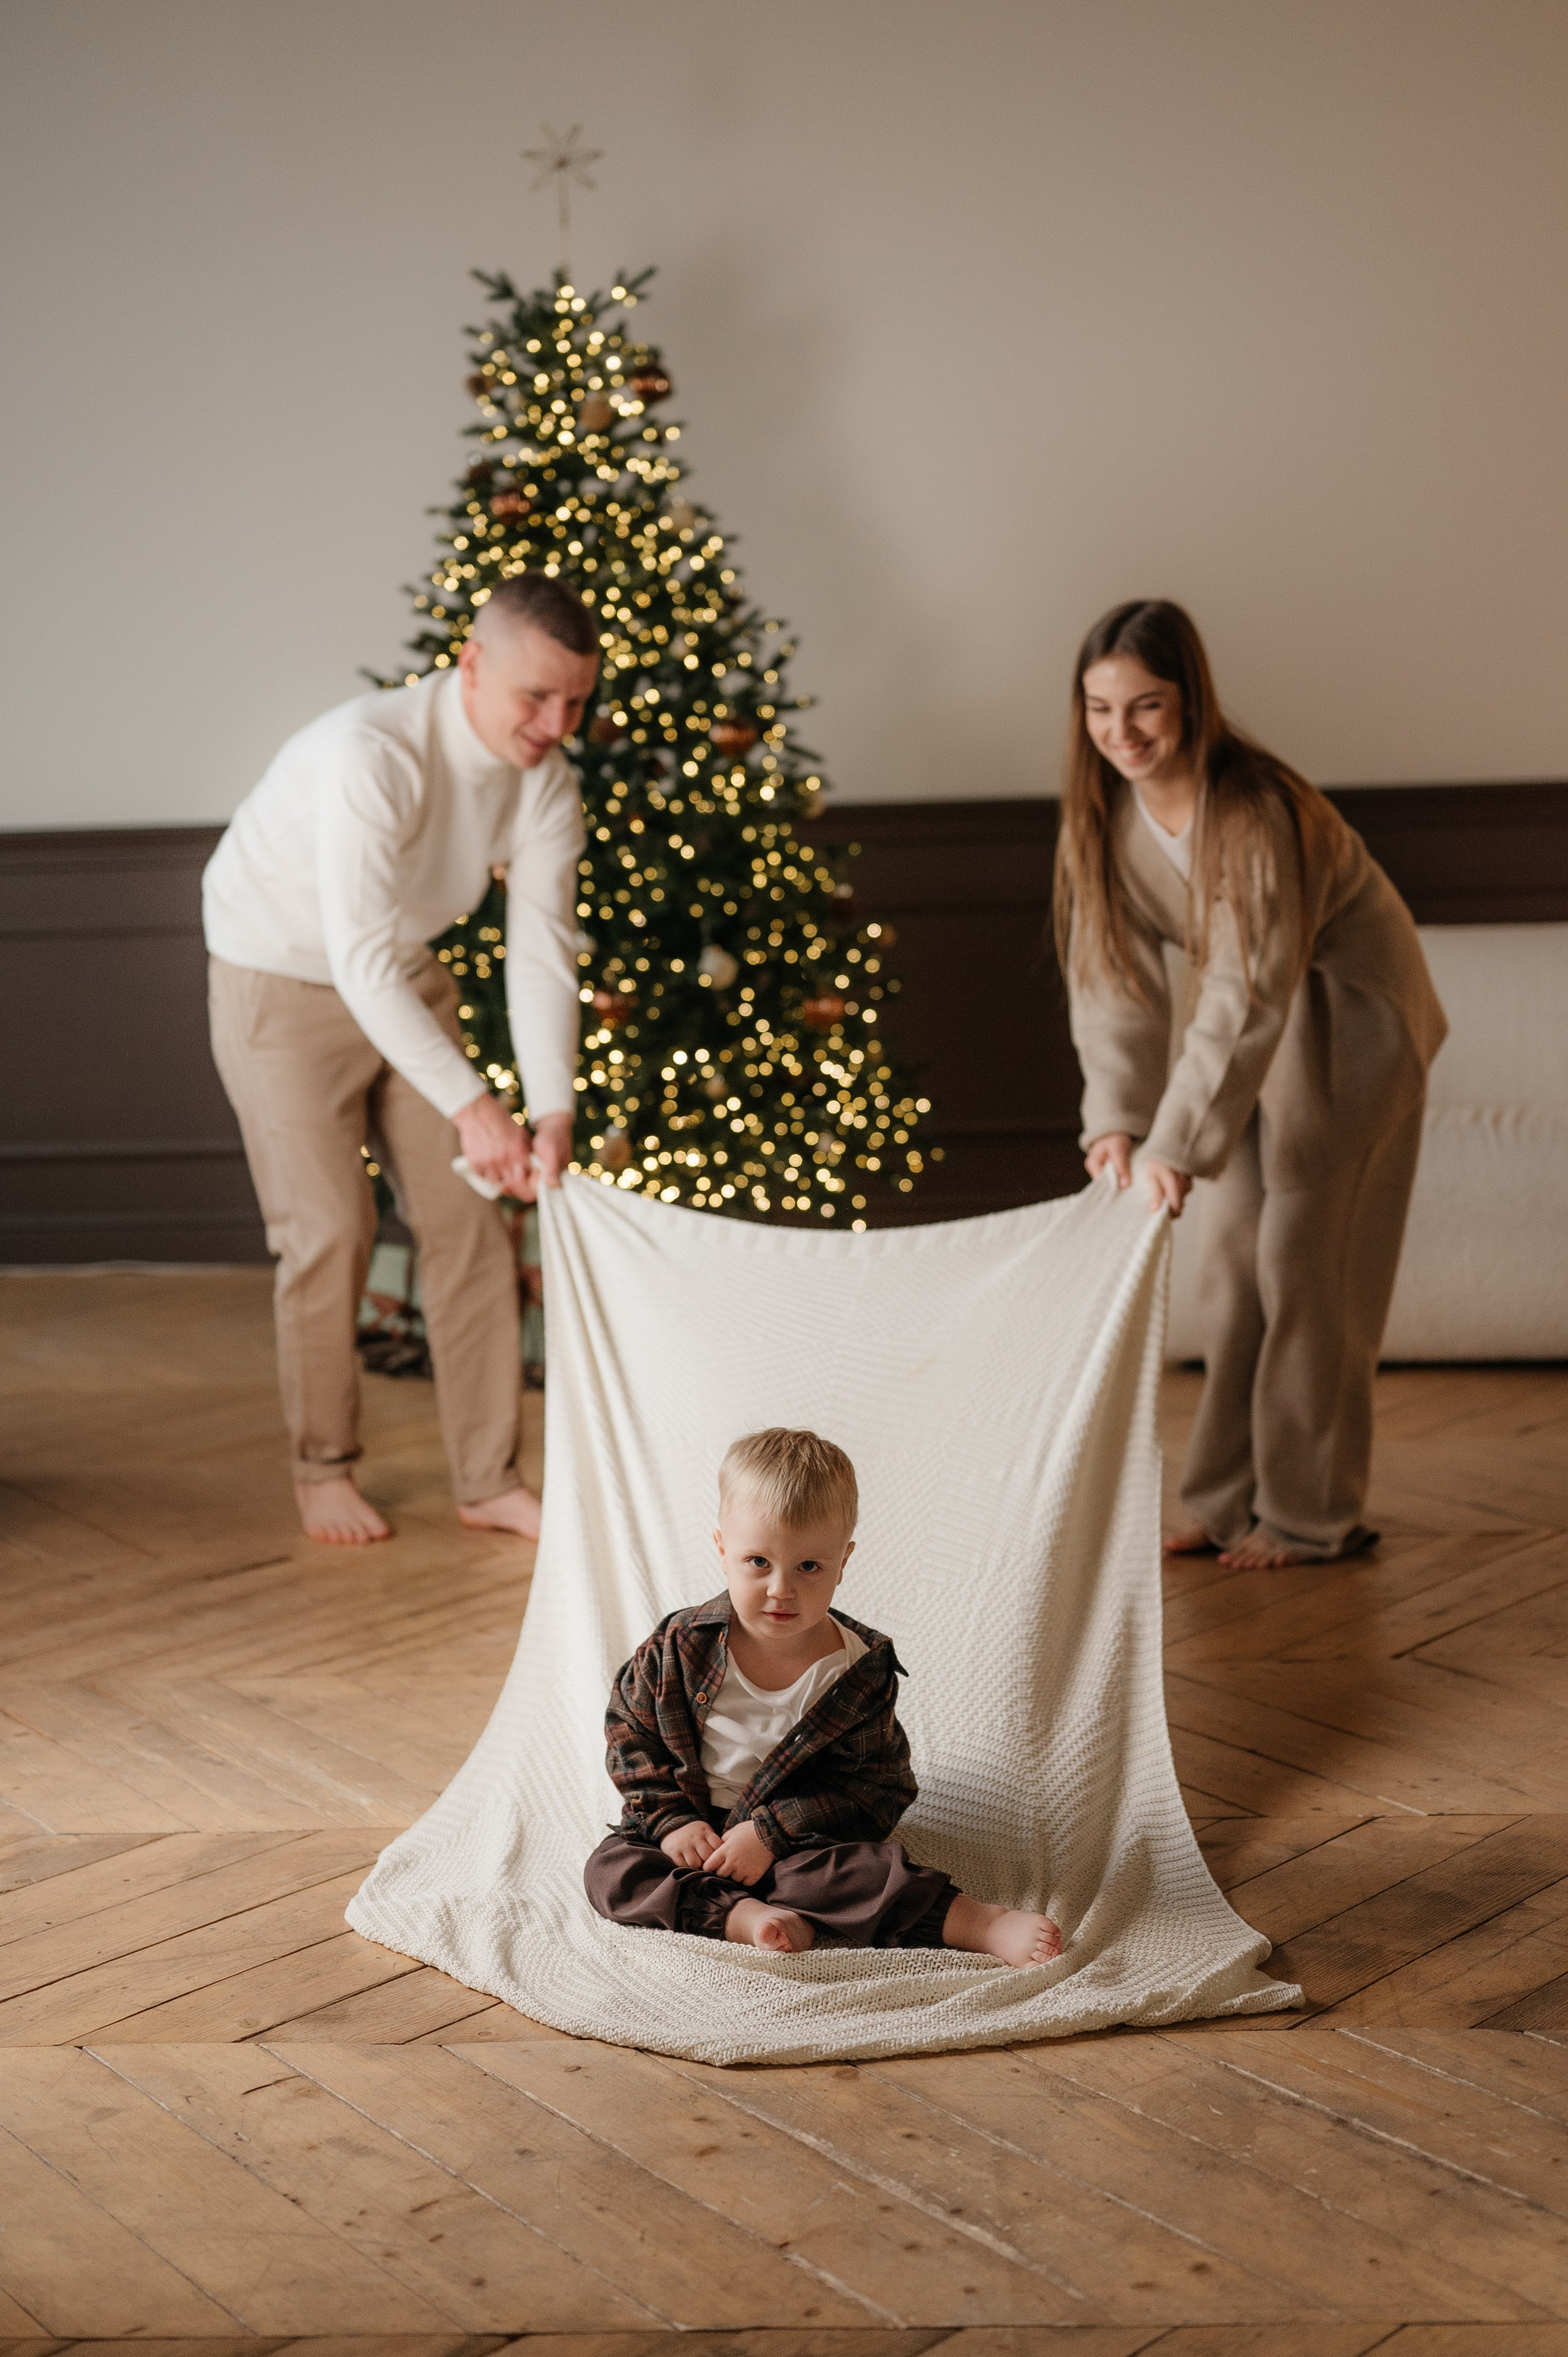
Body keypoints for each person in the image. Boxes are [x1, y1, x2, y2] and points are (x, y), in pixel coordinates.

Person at [203, 573, 599, 1546]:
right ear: (471, 667)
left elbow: (542, 950)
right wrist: (476, 1107)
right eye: (536, 697)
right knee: (330, 1229)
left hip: (399, 976)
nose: (557, 722)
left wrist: (549, 1107)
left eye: (577, 701)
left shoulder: (546, 782)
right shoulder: (367, 756)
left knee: (471, 1218)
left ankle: (487, 1476)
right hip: (280, 981)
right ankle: (322, 1467)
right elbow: (356, 959)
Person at [1055, 599, 1447, 1571]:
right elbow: (1113, 978)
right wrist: (1119, 1119)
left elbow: (1242, 989)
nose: (1124, 734)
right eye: (1102, 711)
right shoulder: (1102, 815)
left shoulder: (1258, 807)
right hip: (1250, 1025)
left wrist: (1177, 1142)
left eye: (1147, 707)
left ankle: (1310, 1517)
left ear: (1193, 702)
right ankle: (1223, 1505)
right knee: (1228, 1264)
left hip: (1350, 1021)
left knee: (1310, 1267)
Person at [584, 1428, 1063, 1965]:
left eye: (808, 1567)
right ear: (723, 1549)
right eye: (758, 1562)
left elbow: (873, 1788)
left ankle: (979, 1923)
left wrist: (770, 1834)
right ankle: (745, 1918)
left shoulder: (856, 1671)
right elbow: (631, 1735)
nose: (781, 1589)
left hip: (798, 1843)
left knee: (856, 1875)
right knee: (612, 1871)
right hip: (692, 1828)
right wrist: (671, 1821)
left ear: (843, 1561)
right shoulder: (678, 1646)